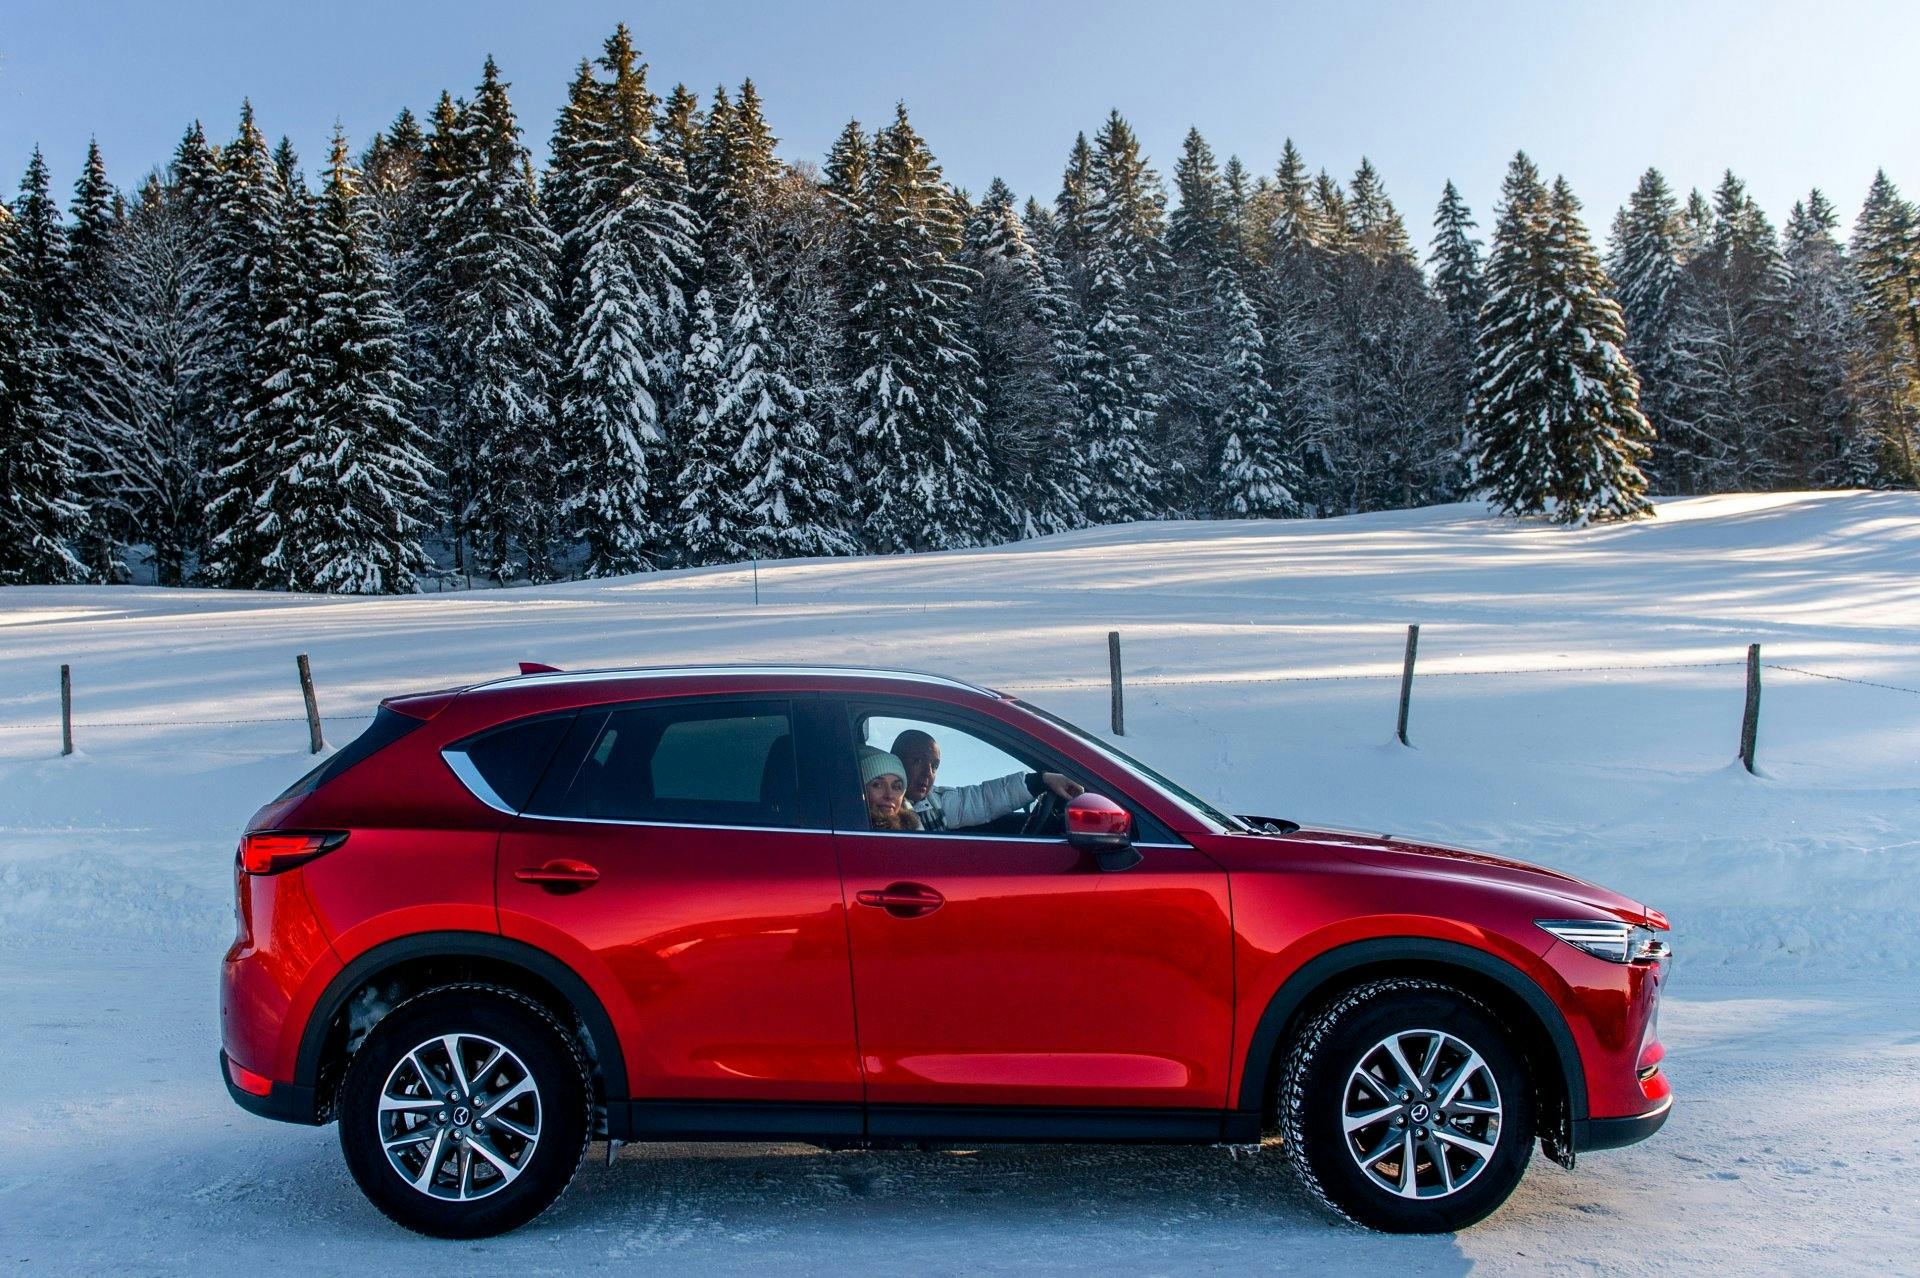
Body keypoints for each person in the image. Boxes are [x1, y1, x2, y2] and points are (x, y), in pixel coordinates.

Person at [889, 728, 1083, 832]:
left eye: (935, 766)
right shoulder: (881, 811)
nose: (927, 773)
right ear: (895, 762)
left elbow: (983, 800)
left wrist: (1041, 780)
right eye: (918, 761)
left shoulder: (933, 802)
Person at [860, 747, 922, 831]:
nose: (889, 795)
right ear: (861, 789)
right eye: (877, 785)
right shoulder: (850, 832)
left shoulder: (914, 834)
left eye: (896, 787)